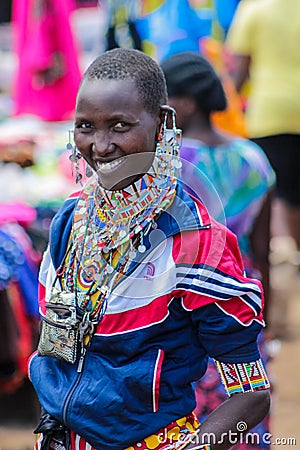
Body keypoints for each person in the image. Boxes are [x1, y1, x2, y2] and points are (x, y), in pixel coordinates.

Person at [29, 48, 270, 450]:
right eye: (86, 126)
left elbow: (251, 393)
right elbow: (54, 350)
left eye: (120, 126)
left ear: (163, 124)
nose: (101, 146)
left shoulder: (192, 242)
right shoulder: (69, 223)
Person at [160, 51, 275, 449]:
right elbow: (262, 249)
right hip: (243, 302)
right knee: (244, 406)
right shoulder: (253, 159)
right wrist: (267, 317)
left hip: (190, 305)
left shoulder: (173, 164)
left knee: (198, 422)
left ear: (185, 104)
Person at [225, 0, 300, 262]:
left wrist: (223, 105)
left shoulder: (254, 8)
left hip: (270, 113)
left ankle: (283, 258)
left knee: (274, 191)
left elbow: (240, 70)